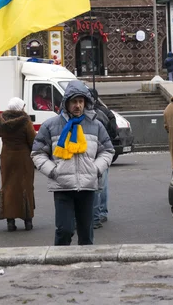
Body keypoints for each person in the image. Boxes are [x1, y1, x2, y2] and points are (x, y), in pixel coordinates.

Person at [31, 80, 114, 246]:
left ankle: (85, 267)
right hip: (63, 187)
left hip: (87, 187)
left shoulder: (95, 125)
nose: (78, 106)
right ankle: (59, 264)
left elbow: (108, 150)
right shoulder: (51, 125)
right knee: (65, 230)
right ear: (66, 103)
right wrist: (54, 171)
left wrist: (95, 169)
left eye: (81, 101)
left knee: (86, 234)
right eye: (74, 101)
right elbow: (38, 153)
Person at [0, 97, 36, 232]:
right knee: (25, 186)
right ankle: (28, 221)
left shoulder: (0, 121)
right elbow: (32, 140)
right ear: (20, 108)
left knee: (8, 186)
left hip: (7, 158)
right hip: (23, 158)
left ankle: (10, 222)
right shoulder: (25, 122)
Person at [89, 88, 118, 229]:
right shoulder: (106, 111)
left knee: (96, 186)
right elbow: (114, 130)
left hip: (95, 153)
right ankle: (102, 212)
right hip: (105, 152)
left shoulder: (93, 114)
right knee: (103, 184)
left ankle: (96, 214)